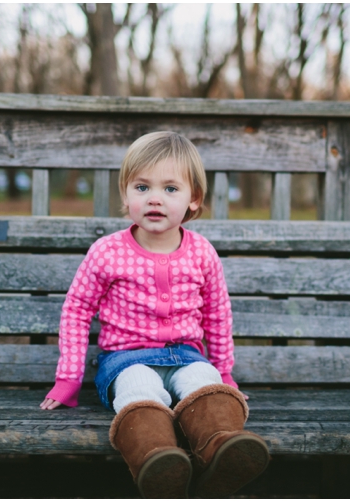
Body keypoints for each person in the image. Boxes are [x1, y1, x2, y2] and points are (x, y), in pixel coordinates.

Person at [39, 131, 269, 498]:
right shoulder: (107, 252)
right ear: (126, 195)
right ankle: (158, 461)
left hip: (186, 356)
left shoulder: (202, 253)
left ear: (194, 199)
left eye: (170, 189)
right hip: (126, 360)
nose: (155, 199)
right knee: (139, 389)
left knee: (204, 381)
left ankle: (222, 449)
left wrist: (224, 373)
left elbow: (217, 314)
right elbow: (77, 309)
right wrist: (68, 378)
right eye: (142, 187)